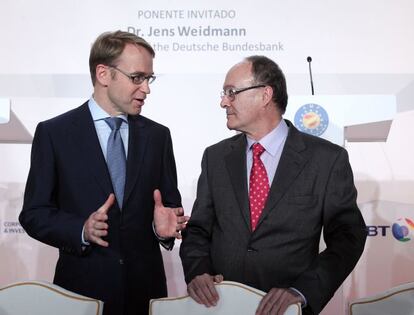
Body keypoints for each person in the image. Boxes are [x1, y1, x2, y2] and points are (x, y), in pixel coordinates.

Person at [179, 55, 367, 315]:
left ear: (265, 94)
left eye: (231, 92)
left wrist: (302, 291)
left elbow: (348, 238)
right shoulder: (215, 158)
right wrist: (197, 271)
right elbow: (199, 230)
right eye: (224, 94)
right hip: (219, 306)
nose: (224, 102)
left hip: (287, 310)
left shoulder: (326, 159)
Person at [19, 30, 189, 315]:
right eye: (137, 78)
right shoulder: (54, 133)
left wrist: (160, 232)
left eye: (149, 79)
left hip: (144, 295)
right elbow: (34, 213)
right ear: (103, 74)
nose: (146, 88)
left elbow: (168, 206)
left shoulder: (158, 136)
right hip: (80, 294)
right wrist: (81, 230)